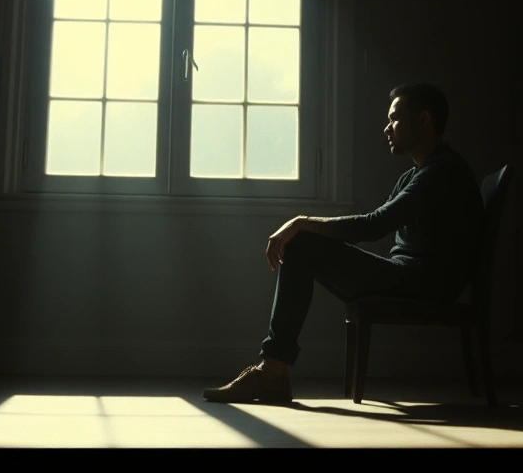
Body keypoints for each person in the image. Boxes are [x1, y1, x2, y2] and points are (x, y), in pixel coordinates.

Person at [202, 82, 484, 404]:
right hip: (408, 275)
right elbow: (375, 220)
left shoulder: (442, 172)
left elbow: (374, 225)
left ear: (423, 120)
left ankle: (273, 372)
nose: (386, 128)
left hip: (425, 283)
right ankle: (273, 372)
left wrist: (301, 222)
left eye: (394, 118)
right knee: (302, 245)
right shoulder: (416, 175)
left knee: (300, 243)